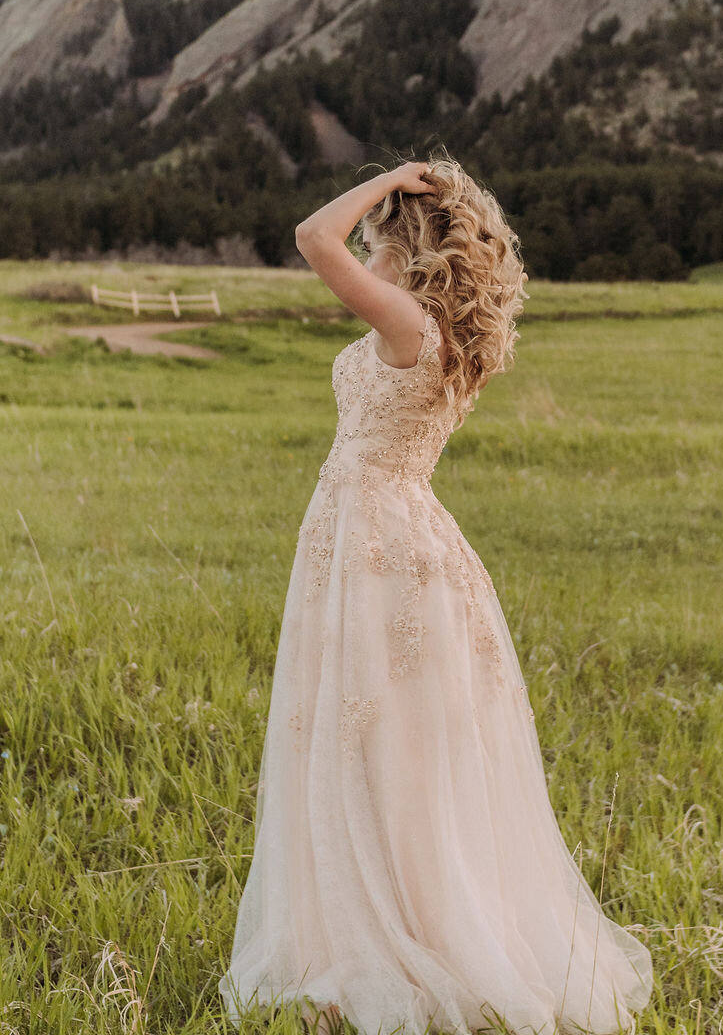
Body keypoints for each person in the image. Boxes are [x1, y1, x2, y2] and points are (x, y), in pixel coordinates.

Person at [218, 153, 653, 1033]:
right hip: (390, 537)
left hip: (376, 547)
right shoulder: (442, 332)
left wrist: (394, 178)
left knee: (376, 746)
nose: (368, 239)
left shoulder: (409, 319)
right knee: (398, 751)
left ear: (403, 242)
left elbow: (311, 236)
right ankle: (389, 912)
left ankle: (397, 936)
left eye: (381, 230)